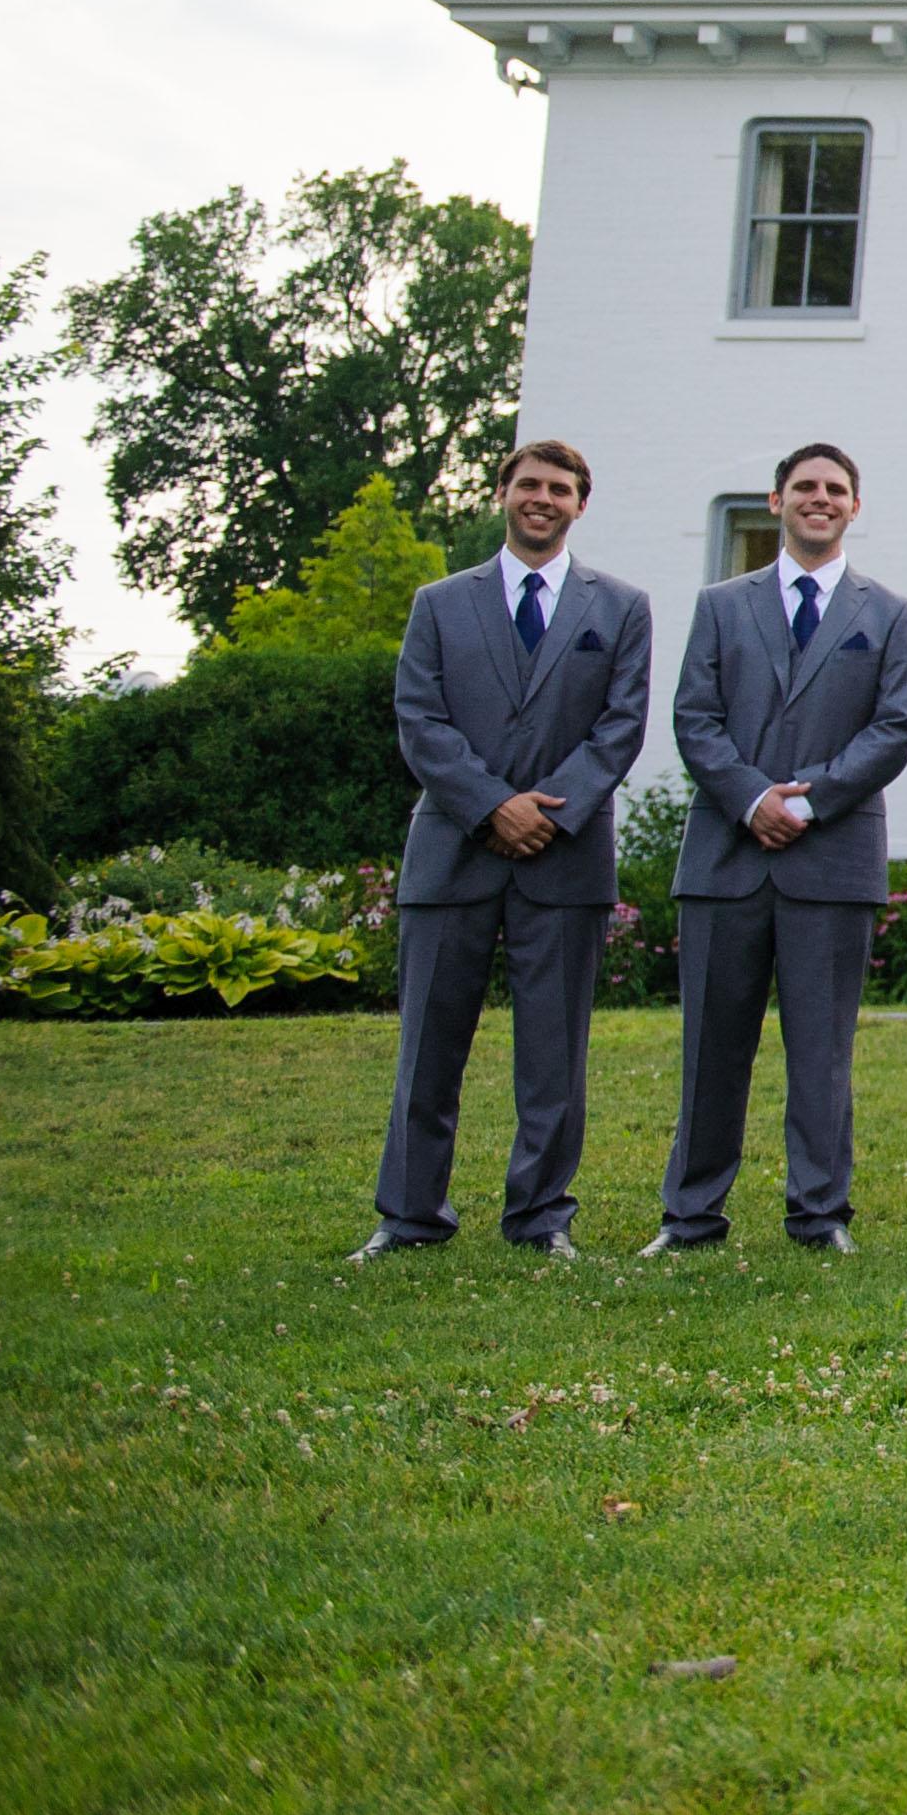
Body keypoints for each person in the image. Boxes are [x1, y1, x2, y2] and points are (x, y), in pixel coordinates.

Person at [356, 439, 653, 1262]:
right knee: (427, 1048)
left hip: (565, 856)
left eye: (560, 488)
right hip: (453, 851)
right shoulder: (439, 603)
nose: (542, 498)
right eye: (529, 484)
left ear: (580, 504)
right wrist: (492, 805)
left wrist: (547, 812)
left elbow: (621, 726)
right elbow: (420, 718)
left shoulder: (621, 607)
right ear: (501, 493)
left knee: (554, 1056)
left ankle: (541, 1217)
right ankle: (410, 1216)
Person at [643, 441, 907, 1258]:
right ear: (776, 501)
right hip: (726, 857)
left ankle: (819, 1213)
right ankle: (690, 1216)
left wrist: (808, 798)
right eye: (805, 486)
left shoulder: (889, 613)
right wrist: (751, 798)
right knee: (710, 1050)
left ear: (854, 507)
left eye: (836, 488)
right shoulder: (721, 605)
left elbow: (894, 728)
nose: (820, 498)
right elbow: (695, 716)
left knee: (822, 1051)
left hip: (832, 859)